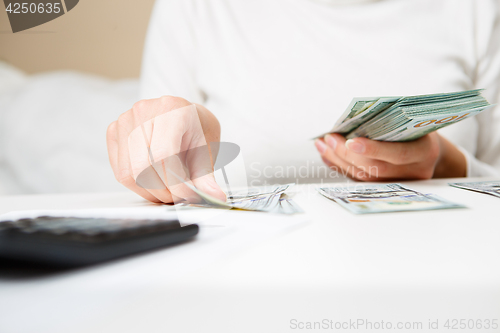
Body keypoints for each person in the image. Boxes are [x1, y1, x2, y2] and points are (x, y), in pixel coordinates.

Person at [106, 0, 500, 204]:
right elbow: (159, 182)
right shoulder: (197, 8)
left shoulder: (477, 9)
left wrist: (447, 164)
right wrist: (164, 150)